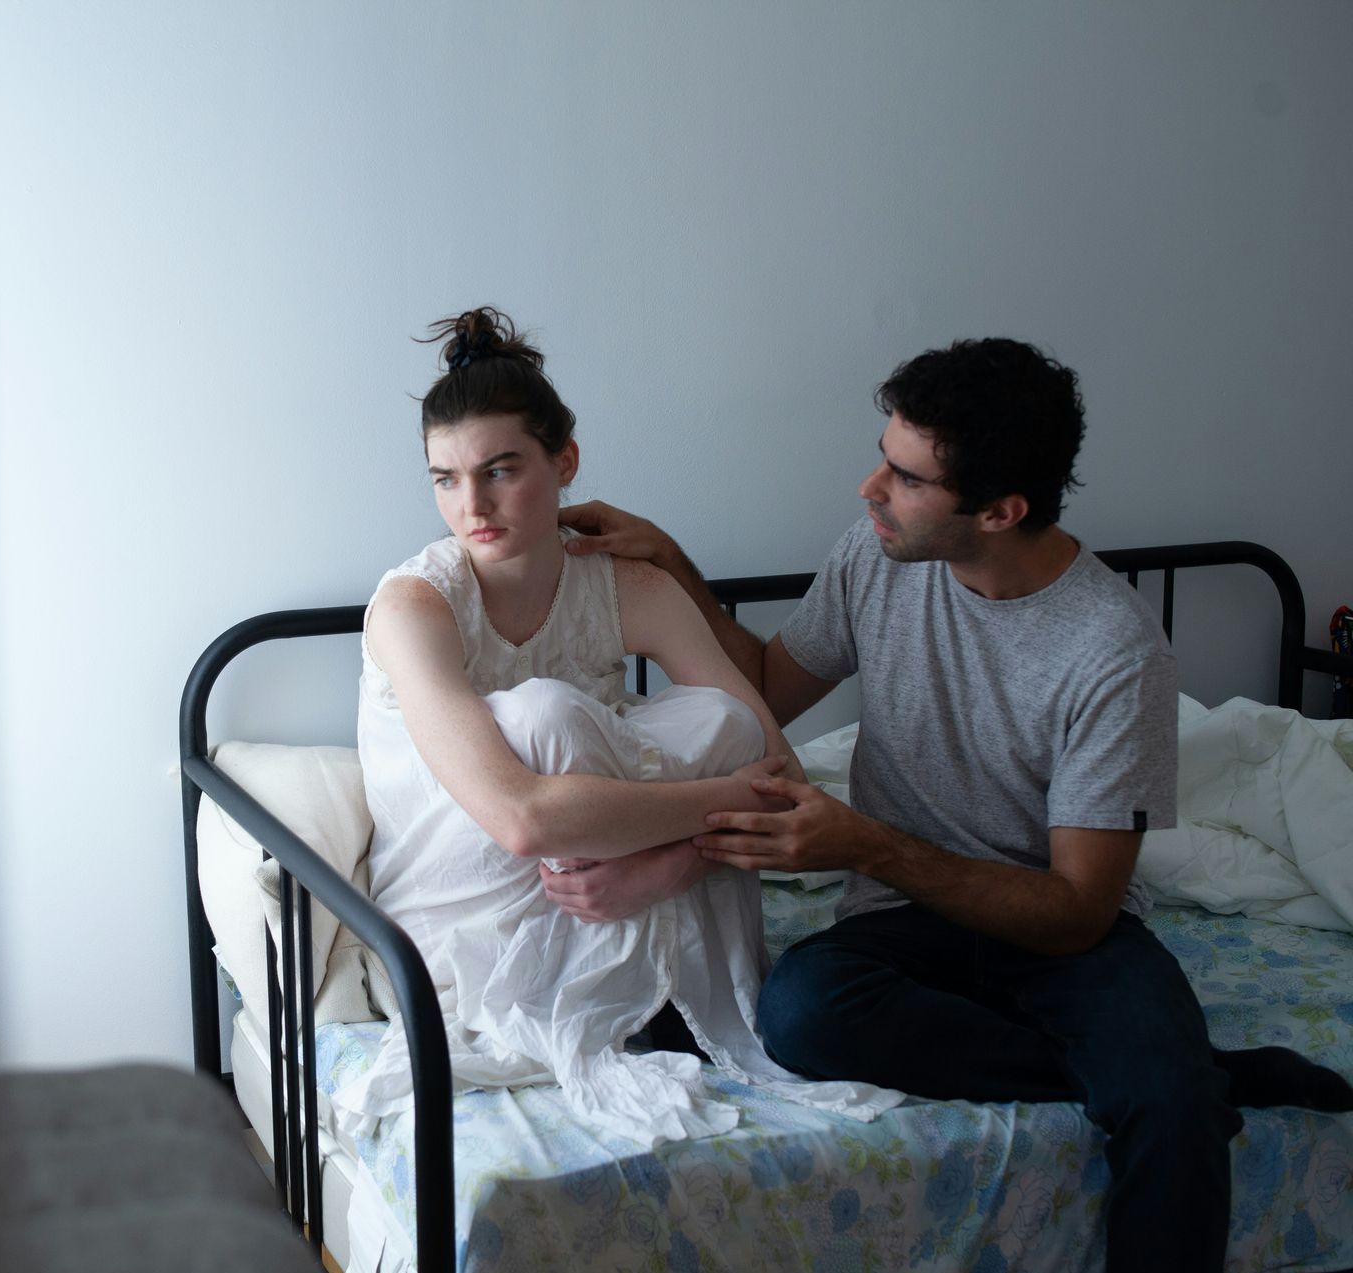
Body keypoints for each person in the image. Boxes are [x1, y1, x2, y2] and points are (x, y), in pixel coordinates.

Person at [547, 336, 1353, 1270]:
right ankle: (1195, 1075)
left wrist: (863, 844)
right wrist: (672, 561)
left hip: (1055, 930)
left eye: (905, 476)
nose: (869, 488)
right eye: (883, 456)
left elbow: (1076, 910)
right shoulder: (879, 553)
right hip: (901, 922)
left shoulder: (1114, 650)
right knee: (803, 1013)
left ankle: (1166, 1083)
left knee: (1171, 1122)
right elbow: (764, 681)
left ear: (1001, 510)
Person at [331, 308, 898, 1145]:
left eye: (500, 469)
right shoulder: (415, 606)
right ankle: (599, 991)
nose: (472, 504)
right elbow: (521, 819)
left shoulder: (625, 585)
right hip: (461, 911)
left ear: (565, 462)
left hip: (608, 877)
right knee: (546, 711)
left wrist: (668, 865)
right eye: (445, 478)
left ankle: (642, 981)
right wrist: (715, 810)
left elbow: (778, 771)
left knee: (723, 716)